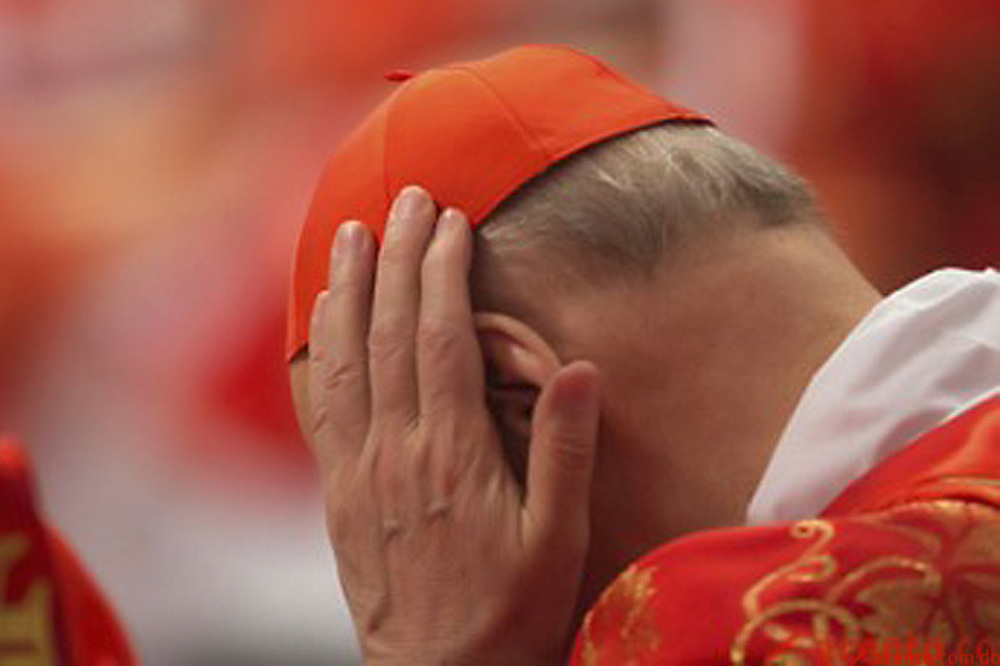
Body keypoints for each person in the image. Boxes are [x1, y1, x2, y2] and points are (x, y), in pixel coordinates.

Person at [288, 45, 1000, 664]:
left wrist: (432, 651)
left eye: (405, 497)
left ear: (519, 399)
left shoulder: (750, 625)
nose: (399, 556)